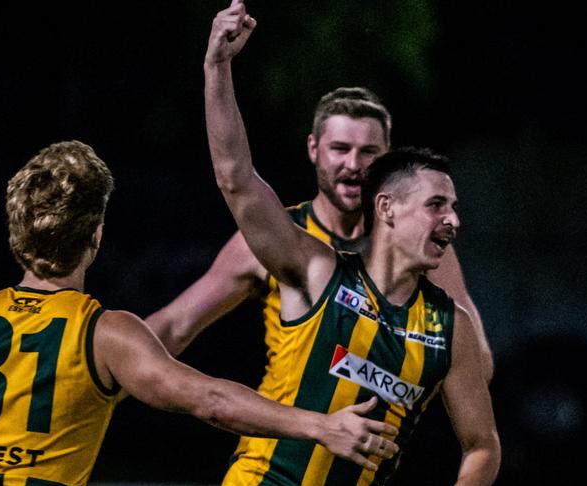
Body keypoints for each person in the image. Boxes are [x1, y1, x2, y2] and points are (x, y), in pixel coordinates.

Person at [0, 141, 399, 485]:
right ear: (95, 236)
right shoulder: (104, 336)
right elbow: (211, 402)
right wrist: (320, 426)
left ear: (16, 234)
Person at [201, 1, 501, 486]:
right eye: (436, 206)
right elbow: (235, 179)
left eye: (453, 207)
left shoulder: (451, 326)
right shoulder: (319, 269)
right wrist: (217, 66)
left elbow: (483, 445)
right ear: (385, 209)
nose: (453, 221)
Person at [146, 9, 494, 386]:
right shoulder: (284, 235)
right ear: (313, 149)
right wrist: (98, 367)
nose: (354, 164)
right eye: (340, 149)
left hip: (367, 442)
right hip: (277, 441)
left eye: (368, 152)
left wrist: (399, 362)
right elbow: (175, 326)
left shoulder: (418, 244)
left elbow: (479, 365)